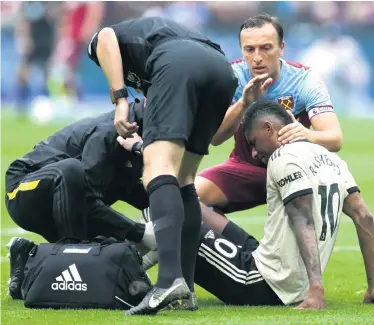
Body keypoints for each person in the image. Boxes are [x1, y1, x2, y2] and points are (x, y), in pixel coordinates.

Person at [143, 100, 374, 308]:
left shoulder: (282, 158)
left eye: (253, 142)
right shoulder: (333, 160)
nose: (253, 153)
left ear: (269, 128)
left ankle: (132, 282)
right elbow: (365, 218)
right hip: (284, 277)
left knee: (161, 215)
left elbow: (303, 219)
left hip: (260, 282)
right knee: (190, 209)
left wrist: (317, 290)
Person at [87, 16, 238, 315]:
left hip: (178, 63)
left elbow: (103, 37)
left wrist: (120, 100)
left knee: (156, 169)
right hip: (221, 69)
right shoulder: (152, 42)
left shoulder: (113, 42)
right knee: (184, 180)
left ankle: (168, 281)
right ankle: (186, 290)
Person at [195, 14, 343, 232]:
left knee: (356, 212)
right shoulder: (231, 77)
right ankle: (241, 247)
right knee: (188, 198)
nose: (257, 57)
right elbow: (215, 138)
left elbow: (334, 139)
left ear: (281, 48)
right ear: (241, 49)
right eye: (249, 49)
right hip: (245, 167)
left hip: (295, 169)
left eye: (265, 48)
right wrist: (244, 103)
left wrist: (305, 134)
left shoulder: (305, 80)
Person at [5, 99, 156, 300]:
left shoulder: (137, 137)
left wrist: (177, 208)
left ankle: (27, 261)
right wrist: (141, 232)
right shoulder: (108, 133)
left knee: (111, 251)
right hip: (24, 188)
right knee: (70, 171)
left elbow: (130, 189)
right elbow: (86, 198)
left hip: (66, 202)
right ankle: (70, 257)